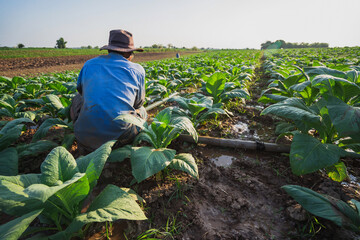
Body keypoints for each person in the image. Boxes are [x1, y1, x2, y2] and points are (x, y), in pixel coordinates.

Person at [70, 29, 147, 153]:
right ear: (129, 54)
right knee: (142, 111)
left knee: (77, 98)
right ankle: (123, 144)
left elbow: (81, 91)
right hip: (120, 137)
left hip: (84, 136)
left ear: (109, 49)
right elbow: (138, 104)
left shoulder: (89, 64)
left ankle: (85, 127)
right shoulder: (138, 70)